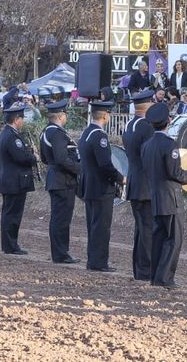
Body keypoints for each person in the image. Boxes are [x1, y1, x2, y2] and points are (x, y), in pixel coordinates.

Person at [142, 102, 187, 288]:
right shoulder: (169, 145)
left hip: (155, 197)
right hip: (171, 199)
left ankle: (155, 276)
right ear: (168, 121)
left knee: (158, 239)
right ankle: (165, 278)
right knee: (173, 239)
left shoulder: (147, 145)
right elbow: (175, 173)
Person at [78, 100, 120, 272]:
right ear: (104, 115)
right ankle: (99, 262)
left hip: (89, 186)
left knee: (93, 225)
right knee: (101, 227)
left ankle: (93, 260)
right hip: (101, 188)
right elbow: (105, 164)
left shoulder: (86, 133)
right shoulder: (99, 136)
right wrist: (120, 177)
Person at [40, 99, 79, 264]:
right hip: (62, 180)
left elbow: (43, 158)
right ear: (61, 115)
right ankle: (61, 253)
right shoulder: (56, 133)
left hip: (56, 178)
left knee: (59, 217)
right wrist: (81, 170)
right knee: (61, 219)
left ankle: (60, 252)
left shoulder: (46, 131)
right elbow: (62, 159)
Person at [123, 89, 156, 281]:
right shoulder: (147, 127)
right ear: (148, 105)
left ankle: (139, 268)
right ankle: (145, 270)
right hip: (146, 185)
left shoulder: (130, 124)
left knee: (140, 230)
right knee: (148, 230)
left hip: (135, 181)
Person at [0, 103, 35, 254]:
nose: (23, 121)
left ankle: (9, 244)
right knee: (12, 214)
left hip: (9, 179)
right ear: (16, 119)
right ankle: (10, 245)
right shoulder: (12, 136)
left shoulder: (4, 134)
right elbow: (21, 157)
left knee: (9, 213)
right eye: (22, 118)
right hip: (14, 181)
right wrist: (34, 157)